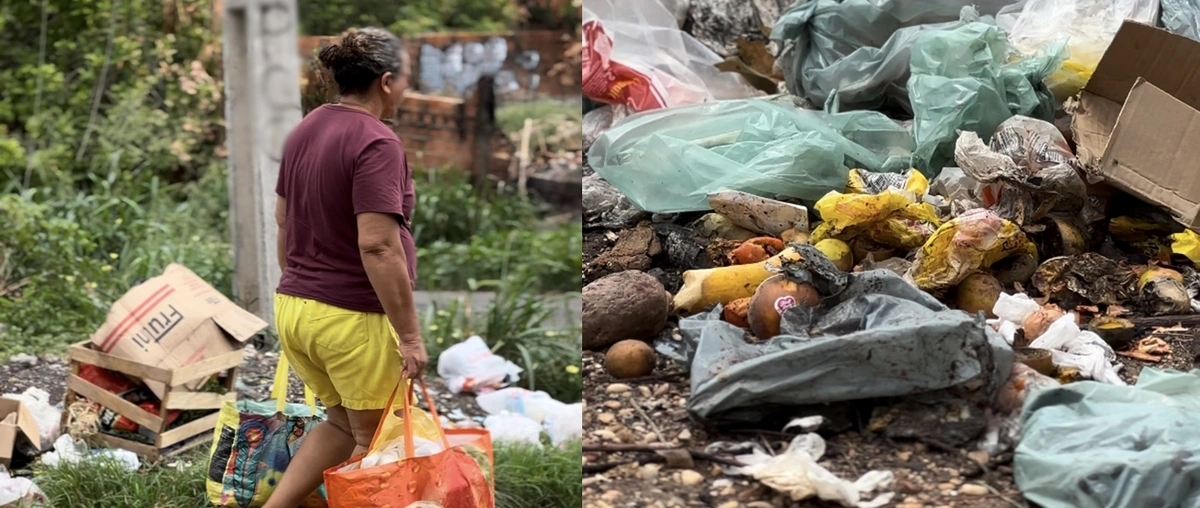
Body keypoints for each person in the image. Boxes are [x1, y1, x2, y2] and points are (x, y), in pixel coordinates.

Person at [264, 27, 427, 508]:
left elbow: (282, 221)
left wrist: (301, 288)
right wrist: (412, 337)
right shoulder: (377, 142)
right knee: (378, 444)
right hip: (352, 321)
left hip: (296, 309)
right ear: (387, 81)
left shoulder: (306, 128)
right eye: (406, 81)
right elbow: (378, 247)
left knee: (340, 426)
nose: (407, 91)